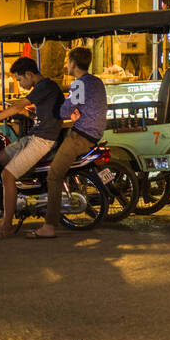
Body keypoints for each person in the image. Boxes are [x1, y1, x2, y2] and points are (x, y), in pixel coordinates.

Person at [29, 47, 108, 240]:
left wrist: (66, 109)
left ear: (73, 63)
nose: (66, 64)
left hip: (80, 136)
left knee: (54, 175)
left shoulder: (79, 84)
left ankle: (49, 226)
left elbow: (65, 112)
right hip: (94, 133)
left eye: (67, 60)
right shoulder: (95, 81)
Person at [0, 57, 64, 239]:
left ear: (29, 74)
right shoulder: (43, 88)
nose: (20, 83)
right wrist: (29, 113)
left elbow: (17, 107)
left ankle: (6, 226)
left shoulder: (44, 86)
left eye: (20, 79)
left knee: (7, 175)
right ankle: (15, 195)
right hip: (33, 135)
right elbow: (43, 114)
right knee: (0, 158)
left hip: (42, 140)